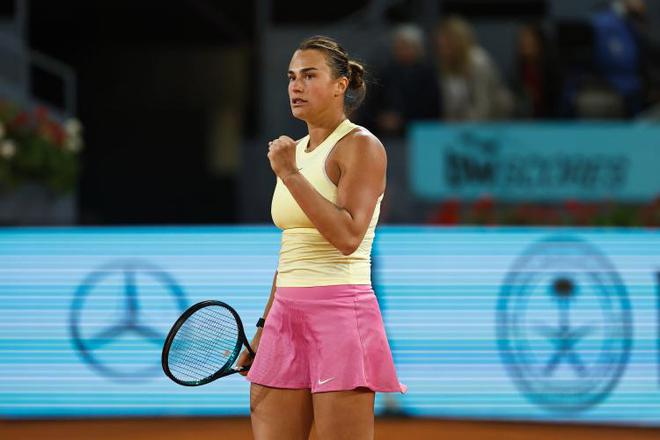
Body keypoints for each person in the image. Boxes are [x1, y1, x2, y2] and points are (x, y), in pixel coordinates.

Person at [235, 35, 407, 440]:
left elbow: (348, 237)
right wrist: (262, 330)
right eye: (291, 77)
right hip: (284, 318)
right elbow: (290, 254)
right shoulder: (291, 152)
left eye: (309, 76)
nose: (296, 86)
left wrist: (290, 175)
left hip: (340, 316)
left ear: (340, 85)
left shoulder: (360, 146)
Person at [369, 24, 441, 137]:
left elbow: (431, 107)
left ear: (418, 49)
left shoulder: (428, 74)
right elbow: (372, 103)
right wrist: (380, 118)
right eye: (398, 47)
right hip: (384, 132)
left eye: (406, 47)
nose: (402, 51)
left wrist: (402, 120)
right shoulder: (385, 73)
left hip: (419, 131)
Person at [435, 16, 513, 121]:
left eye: (446, 45)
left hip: (494, 122)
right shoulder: (446, 67)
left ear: (459, 41)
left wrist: (463, 126)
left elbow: (483, 107)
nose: (442, 50)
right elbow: (449, 106)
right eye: (440, 46)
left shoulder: (479, 62)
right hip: (463, 124)